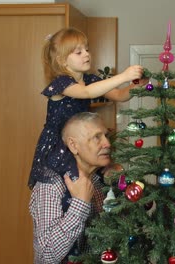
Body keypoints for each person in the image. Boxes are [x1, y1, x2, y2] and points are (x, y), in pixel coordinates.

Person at [28, 27, 146, 189]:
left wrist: (138, 85)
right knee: (66, 186)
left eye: (87, 49)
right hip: (60, 145)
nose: (86, 54)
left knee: (90, 183)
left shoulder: (90, 79)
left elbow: (119, 95)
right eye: (78, 52)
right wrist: (123, 76)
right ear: (62, 60)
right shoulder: (61, 83)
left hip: (81, 141)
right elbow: (85, 92)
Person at [29, 112, 112, 263]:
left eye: (106, 136)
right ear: (73, 145)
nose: (107, 143)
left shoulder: (100, 180)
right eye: (97, 137)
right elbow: (46, 256)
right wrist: (80, 204)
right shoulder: (51, 185)